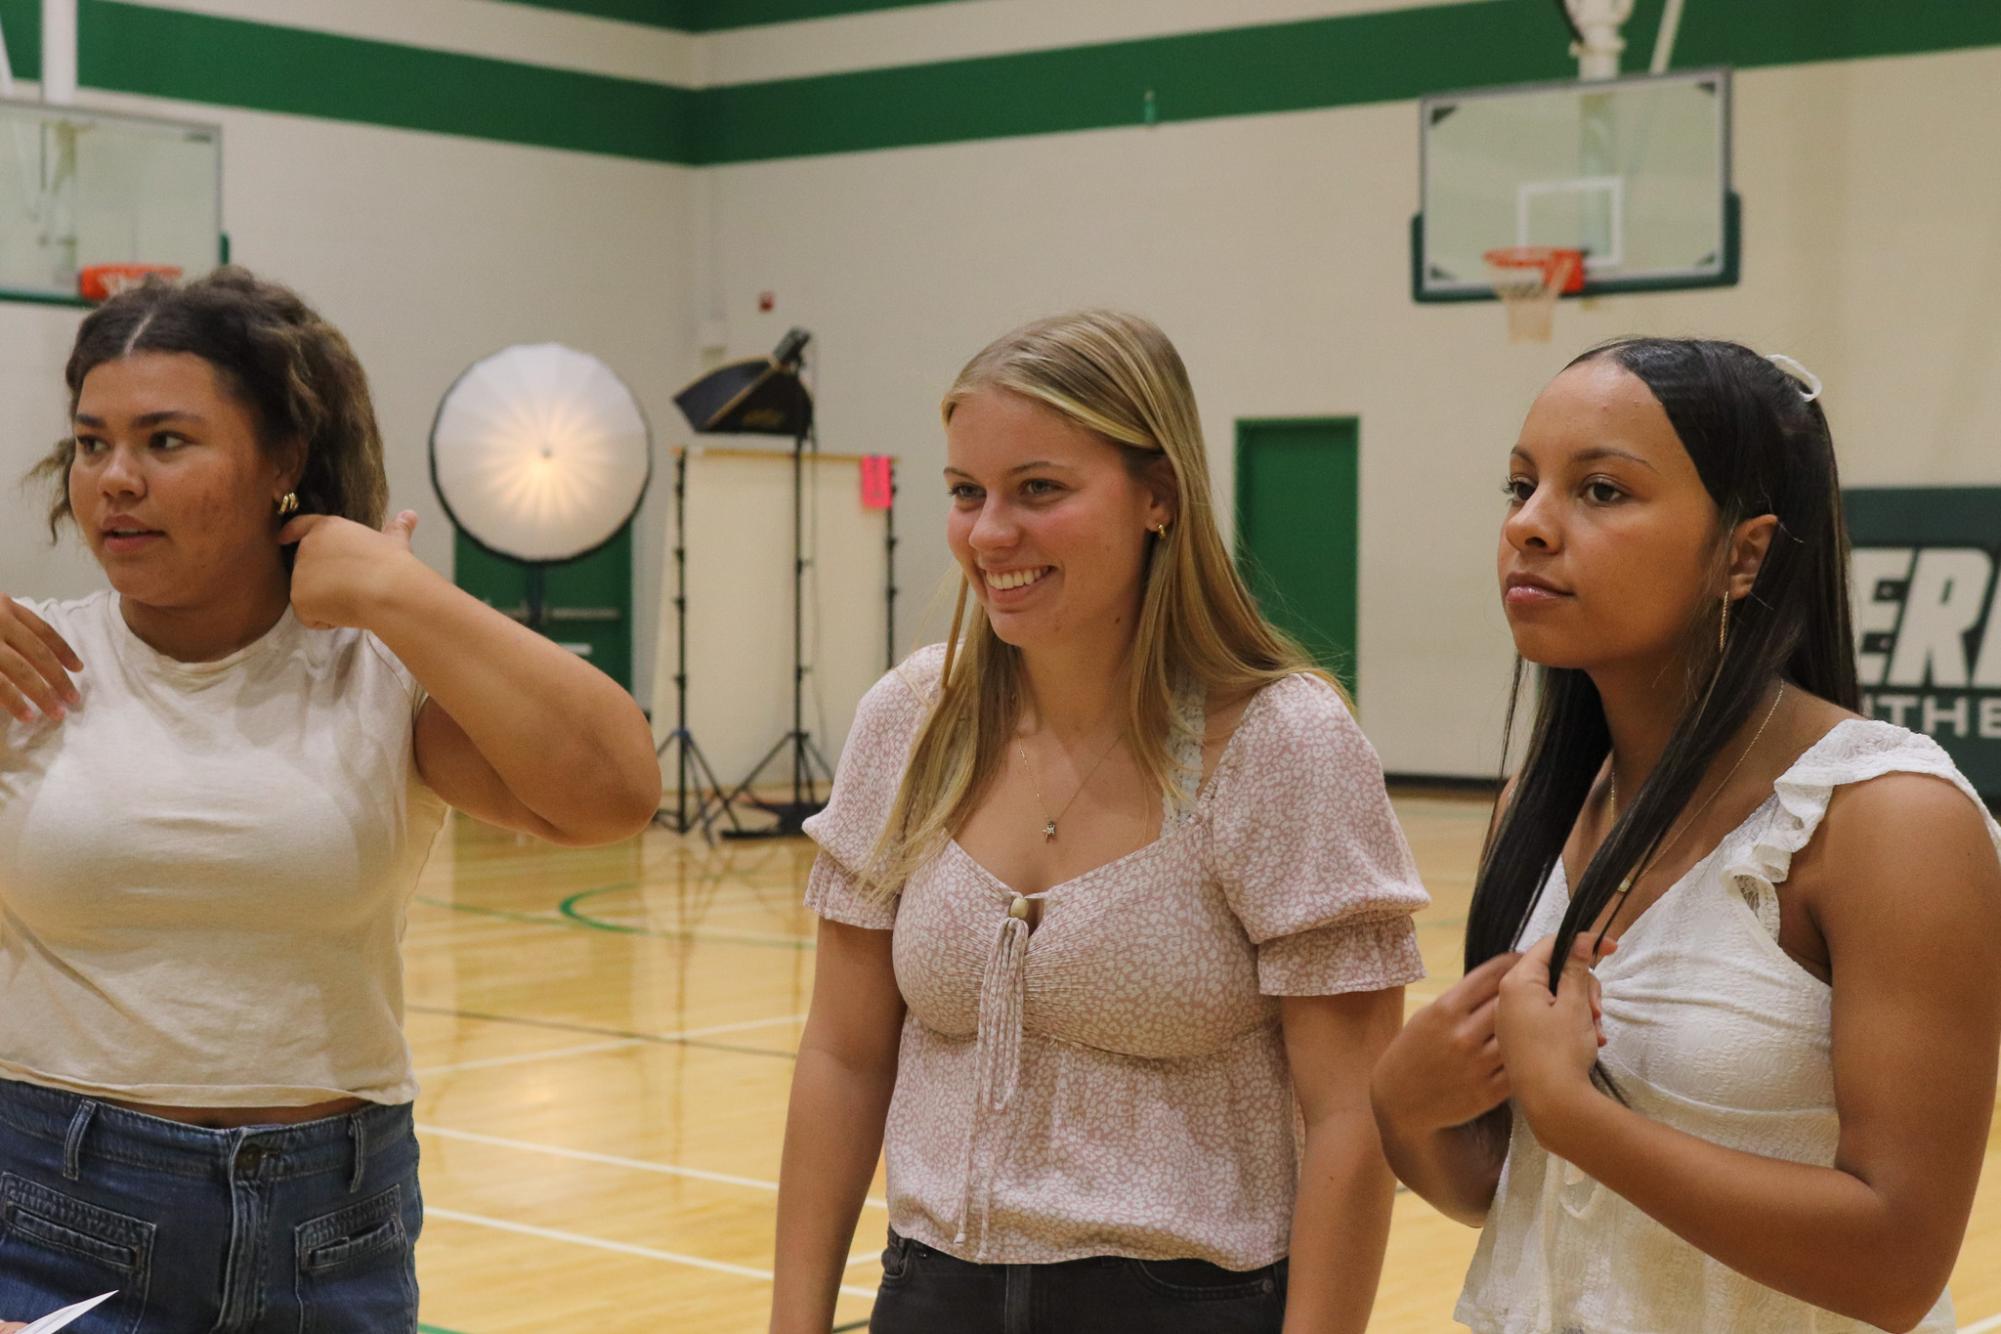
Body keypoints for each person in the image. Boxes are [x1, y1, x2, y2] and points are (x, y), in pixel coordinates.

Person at [0, 267, 661, 1333]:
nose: (115, 478)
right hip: (53, 1209)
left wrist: (403, 593)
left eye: (165, 441)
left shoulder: (378, 667)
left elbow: (613, 791)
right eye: (91, 441)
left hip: (332, 1226)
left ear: (284, 462)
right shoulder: (24, 659)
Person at [768, 310, 1429, 1334]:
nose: (991, 533)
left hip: (1189, 1302)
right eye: (966, 493)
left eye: (1040, 489)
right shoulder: (910, 721)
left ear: (1157, 495)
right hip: (929, 1292)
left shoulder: (1280, 744)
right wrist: (793, 1320)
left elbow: (1351, 1118)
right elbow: (843, 1055)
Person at [1370, 338, 2001, 1332]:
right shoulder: (1535, 810)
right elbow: (1519, 1200)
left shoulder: (1888, 817)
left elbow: (1897, 1263)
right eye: (1521, 485)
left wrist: (1580, 1118)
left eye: (1602, 490)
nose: (1529, 526)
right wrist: (1406, 1110)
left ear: (1743, 554)